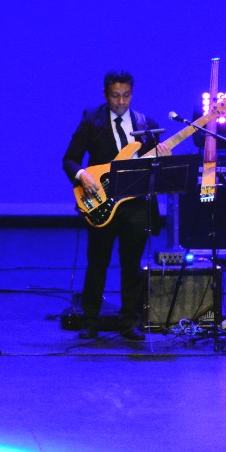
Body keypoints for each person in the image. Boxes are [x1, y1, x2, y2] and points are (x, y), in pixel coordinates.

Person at [62, 70, 165, 341]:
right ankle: (90, 321)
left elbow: (154, 169)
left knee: (132, 265)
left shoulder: (146, 124)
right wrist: (82, 175)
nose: (121, 101)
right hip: (101, 202)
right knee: (97, 263)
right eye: (115, 95)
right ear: (105, 95)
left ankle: (129, 322)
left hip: (134, 205)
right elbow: (69, 159)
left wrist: (162, 157)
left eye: (126, 95)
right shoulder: (91, 120)